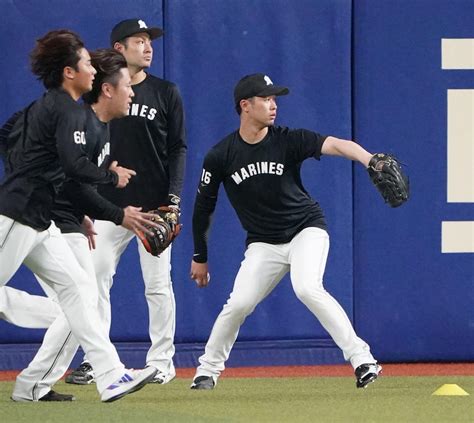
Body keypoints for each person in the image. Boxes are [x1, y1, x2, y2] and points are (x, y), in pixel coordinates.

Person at [189, 73, 382, 390]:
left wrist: (368, 158)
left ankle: (363, 360)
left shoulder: (287, 139)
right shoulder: (220, 155)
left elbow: (333, 143)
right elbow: (202, 208)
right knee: (238, 304)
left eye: (274, 99)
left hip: (306, 229)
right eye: (266, 99)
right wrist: (200, 256)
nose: (273, 105)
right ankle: (206, 371)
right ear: (245, 106)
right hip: (263, 244)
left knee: (307, 287)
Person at [0, 29, 157, 402]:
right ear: (69, 72)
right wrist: (111, 177)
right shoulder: (65, 107)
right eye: (86, 63)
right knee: (74, 301)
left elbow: (12, 141)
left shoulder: (53, 107)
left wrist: (29, 165)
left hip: (41, 221)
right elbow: (74, 166)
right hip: (17, 215)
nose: (92, 69)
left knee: (81, 294)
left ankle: (109, 375)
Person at [67, 18, 186, 386]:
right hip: (108, 205)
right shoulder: (99, 94)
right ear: (119, 48)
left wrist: (173, 199)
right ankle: (95, 359)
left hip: (152, 205)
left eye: (149, 41)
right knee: (95, 279)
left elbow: (177, 148)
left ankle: (161, 363)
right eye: (139, 41)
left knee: (158, 285)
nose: (148, 47)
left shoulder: (166, 92)